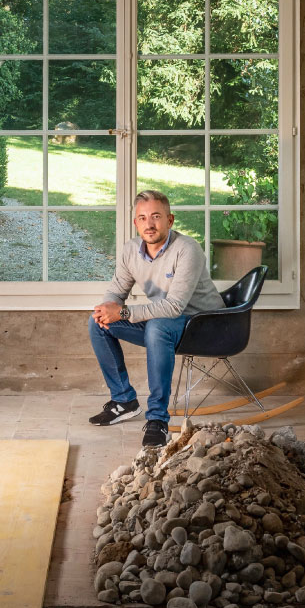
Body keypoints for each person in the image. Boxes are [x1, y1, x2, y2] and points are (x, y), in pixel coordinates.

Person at [88, 190, 225, 448]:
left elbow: (174, 306)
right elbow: (117, 290)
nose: (149, 224)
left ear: (170, 220)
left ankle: (158, 420)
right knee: (97, 324)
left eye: (156, 217)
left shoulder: (187, 249)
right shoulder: (131, 251)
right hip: (166, 322)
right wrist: (106, 309)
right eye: (142, 218)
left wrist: (125, 313)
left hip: (205, 326)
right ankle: (124, 401)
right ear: (135, 223)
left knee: (157, 327)